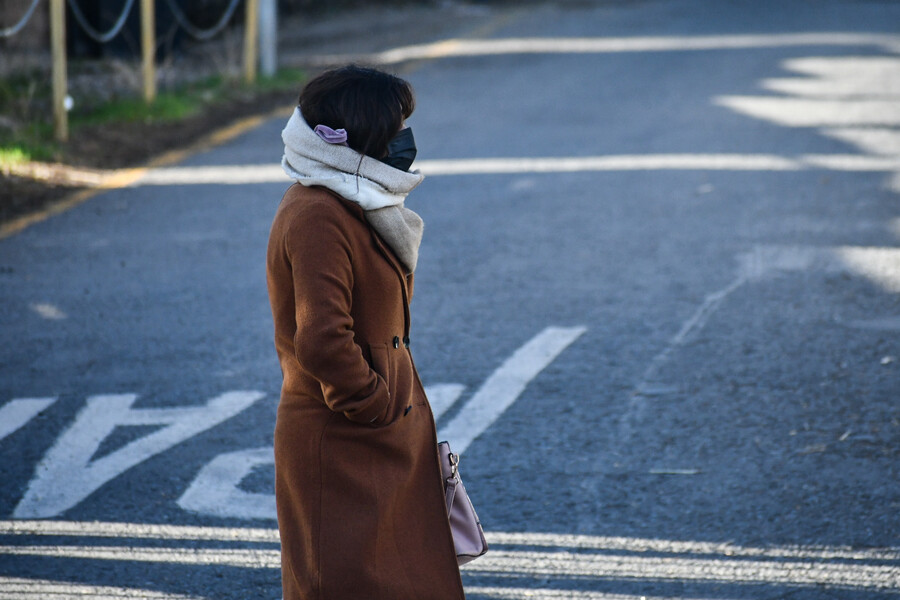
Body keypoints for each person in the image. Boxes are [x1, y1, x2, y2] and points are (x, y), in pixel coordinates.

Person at [266, 65, 467, 600]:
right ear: (359, 136)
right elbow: (322, 337)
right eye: (395, 127)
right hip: (344, 442)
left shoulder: (358, 202)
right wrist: (373, 404)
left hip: (381, 441)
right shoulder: (317, 213)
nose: (405, 141)